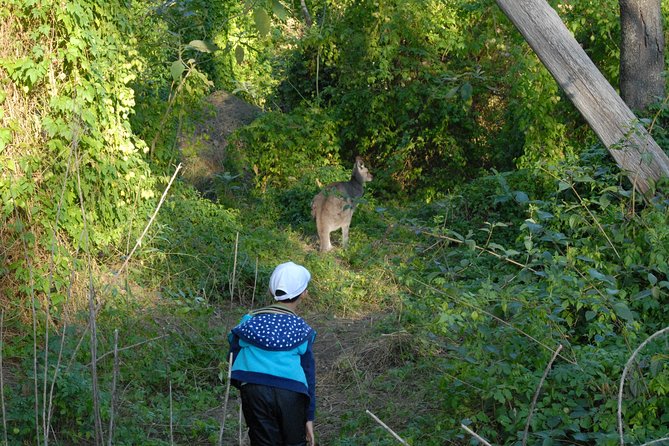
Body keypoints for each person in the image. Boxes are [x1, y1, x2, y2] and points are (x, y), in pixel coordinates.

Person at [228, 261, 316, 446]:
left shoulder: (249, 321)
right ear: (304, 293)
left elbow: (233, 350)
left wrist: (241, 382)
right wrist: (309, 417)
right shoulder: (302, 330)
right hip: (292, 391)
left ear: (270, 290)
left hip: (254, 390)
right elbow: (308, 373)